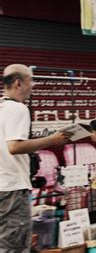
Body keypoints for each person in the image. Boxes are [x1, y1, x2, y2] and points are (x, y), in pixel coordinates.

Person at [0, 64, 70, 252]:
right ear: (18, 83)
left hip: (3, 186)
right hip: (13, 187)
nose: (34, 84)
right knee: (14, 245)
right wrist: (52, 139)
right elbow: (14, 146)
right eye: (31, 80)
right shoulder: (17, 109)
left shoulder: (2, 108)